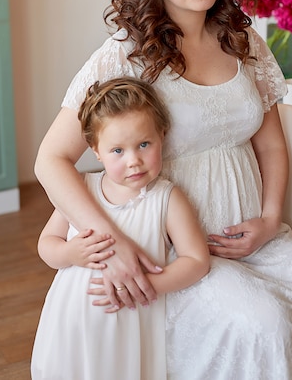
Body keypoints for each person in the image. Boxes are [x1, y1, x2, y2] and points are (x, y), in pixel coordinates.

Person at [35, 0, 292, 379]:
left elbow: (271, 143)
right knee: (263, 328)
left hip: (253, 235)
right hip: (176, 249)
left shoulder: (243, 40)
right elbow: (51, 159)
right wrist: (112, 242)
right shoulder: (125, 55)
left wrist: (271, 220)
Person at [31, 76, 210, 380]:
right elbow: (46, 244)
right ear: (95, 150)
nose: (134, 161)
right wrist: (69, 253)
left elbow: (196, 261)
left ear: (161, 136)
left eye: (144, 144)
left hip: (130, 325)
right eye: (118, 151)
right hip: (72, 324)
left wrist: (150, 285)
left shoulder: (166, 199)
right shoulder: (81, 191)